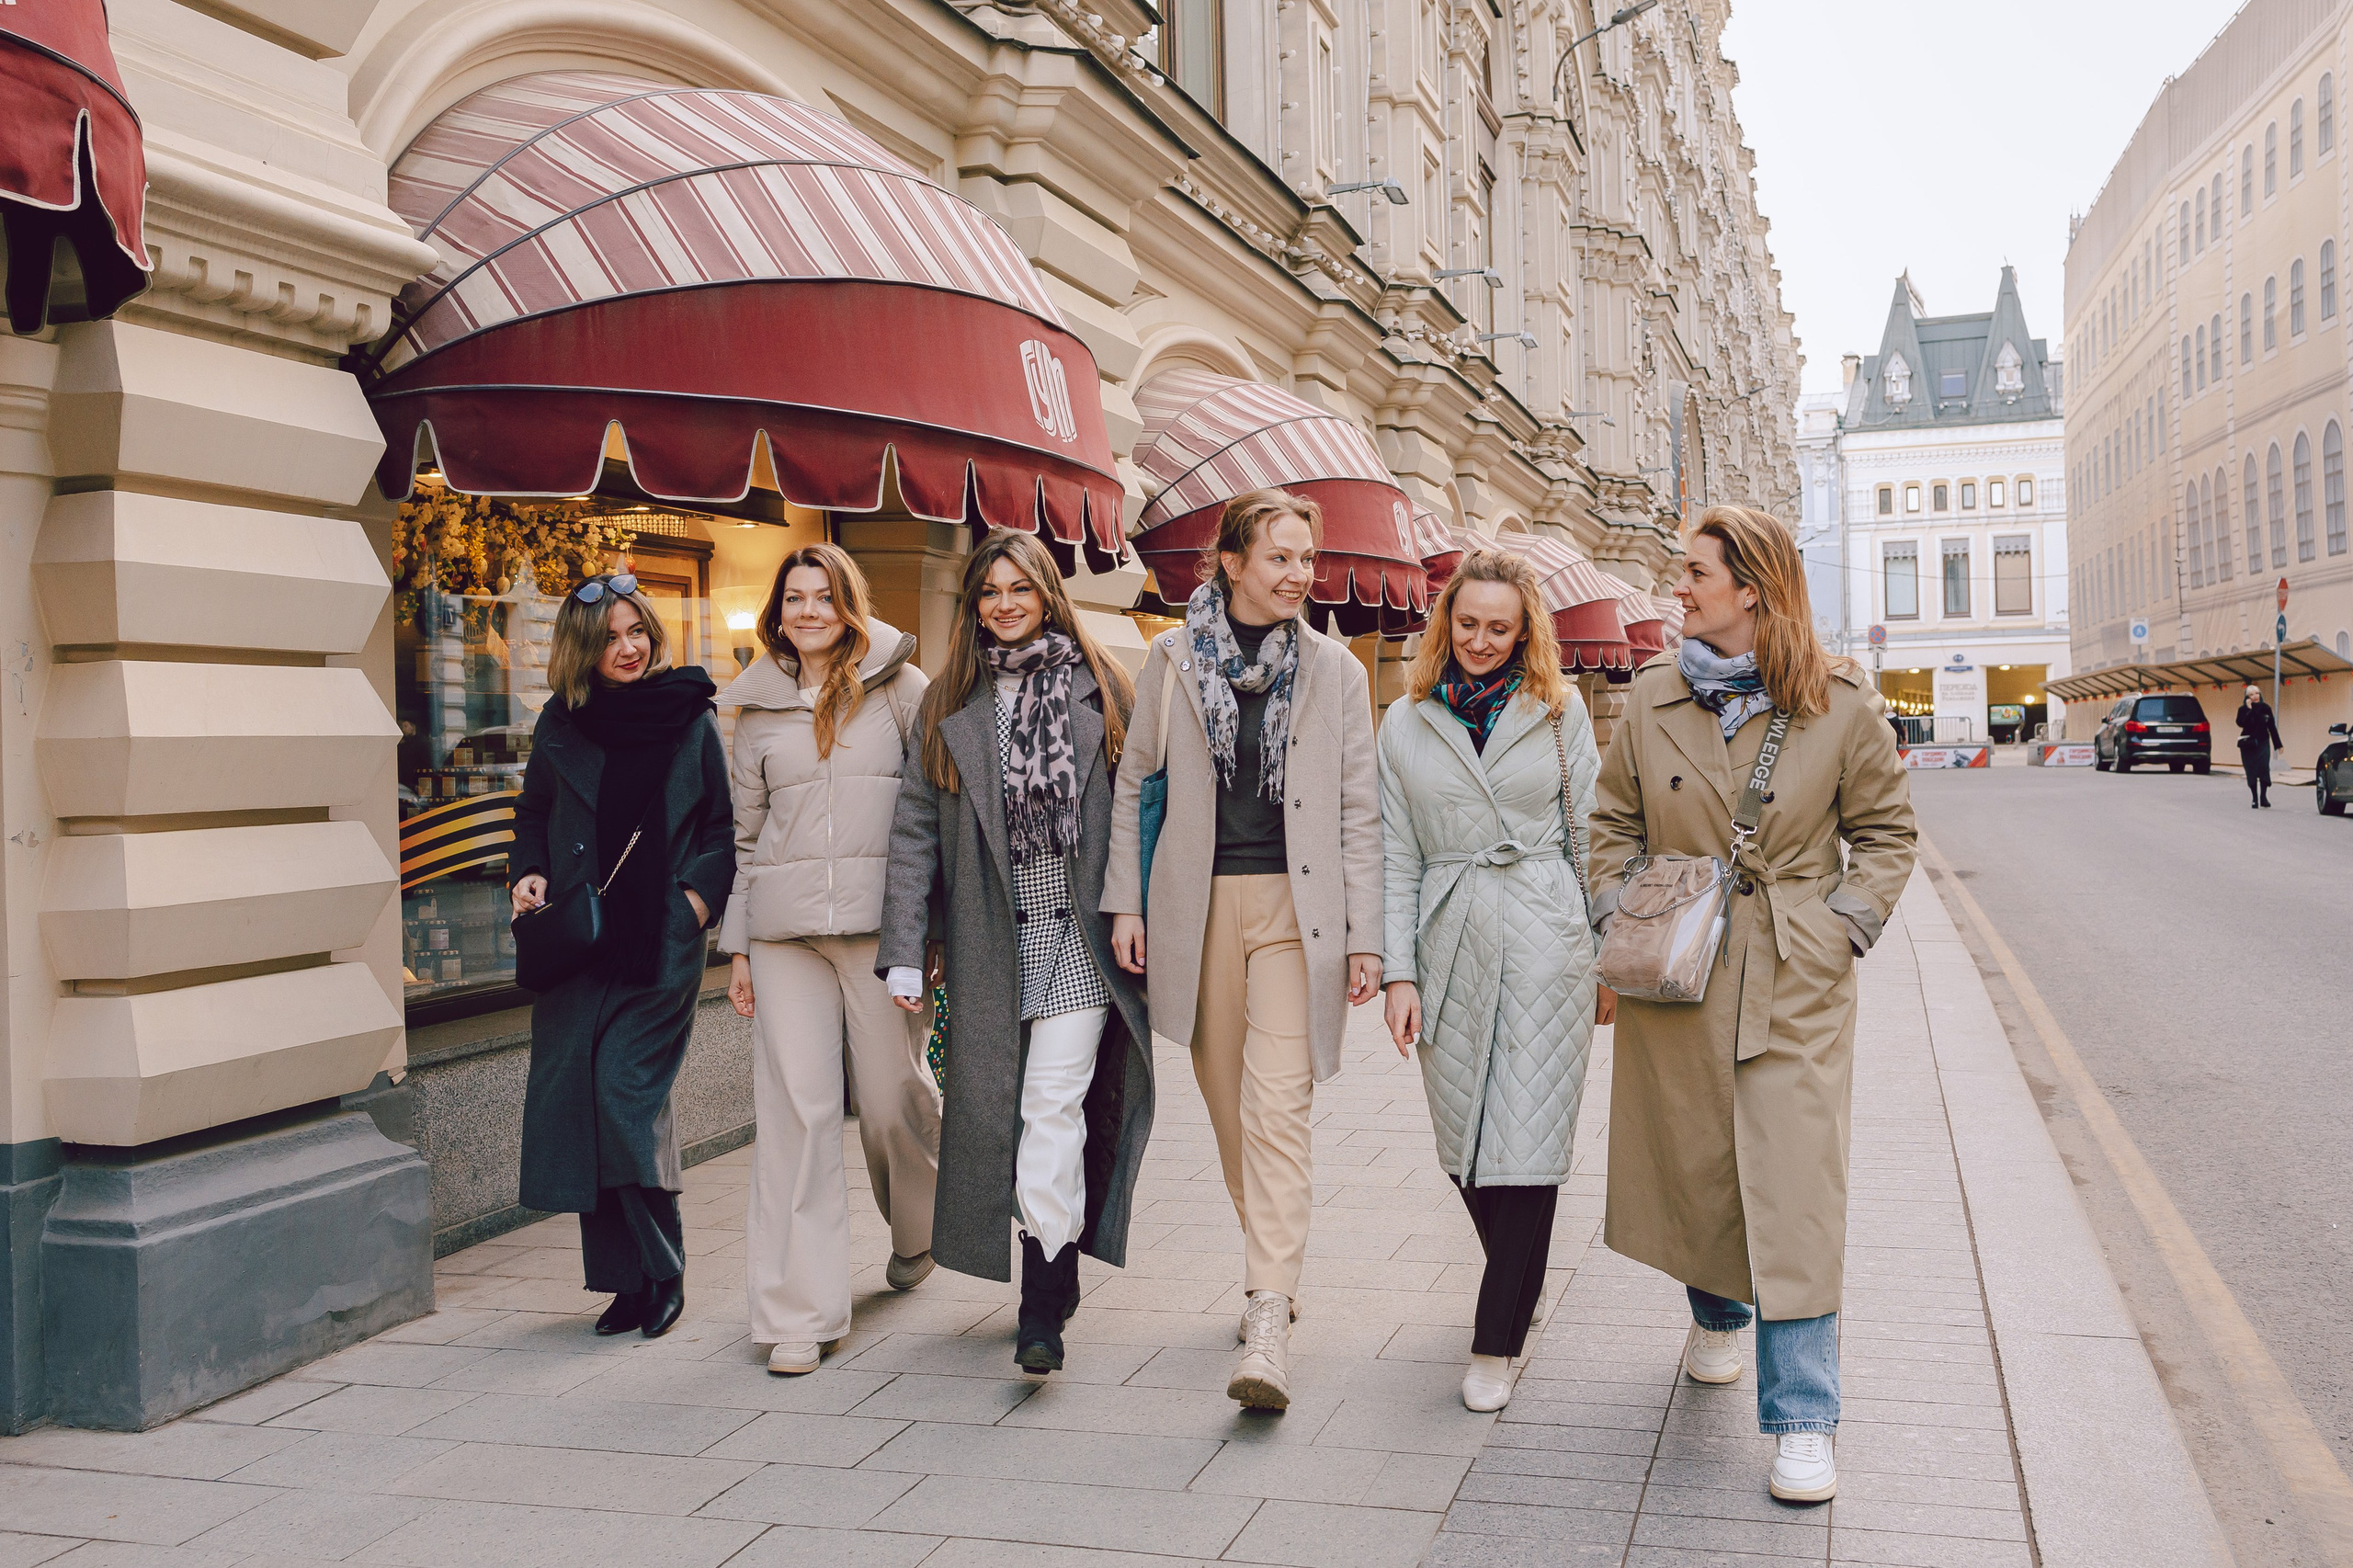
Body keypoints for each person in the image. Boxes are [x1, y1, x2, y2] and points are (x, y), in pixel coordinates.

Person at [1588, 506, 1916, 1504]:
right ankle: (1718, 1313)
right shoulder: (1649, 697)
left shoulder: (1841, 703)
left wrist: (1837, 928)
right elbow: (1610, 819)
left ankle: (1805, 1418)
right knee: (1694, 1164)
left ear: (1753, 589)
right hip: (1678, 972)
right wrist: (1624, 908)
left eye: (1692, 572)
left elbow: (1888, 835)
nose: (1676, 587)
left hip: (1792, 980)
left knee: (1794, 1187)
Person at [1105, 488, 1383, 1413]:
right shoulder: (1172, 658)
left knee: (1276, 1110)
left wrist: (1365, 937)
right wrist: (1124, 905)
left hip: (1298, 915)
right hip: (1196, 907)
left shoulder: (1337, 670)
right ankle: (1275, 1261)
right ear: (1230, 563)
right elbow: (1134, 779)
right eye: (1280, 557)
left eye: (1308, 558)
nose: (1300, 574)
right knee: (1229, 1110)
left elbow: (1357, 811)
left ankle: (1266, 1310)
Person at [877, 528, 1154, 1376]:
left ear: (1045, 594)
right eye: (989, 590)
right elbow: (914, 832)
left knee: (1049, 1108)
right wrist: (903, 949)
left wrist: (1134, 913)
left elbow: (1141, 812)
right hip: (989, 941)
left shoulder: (1101, 687)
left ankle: (1039, 1302)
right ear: (974, 604)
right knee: (994, 1109)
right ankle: (1057, 1261)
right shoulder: (948, 706)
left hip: (1076, 937)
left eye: (1019, 588)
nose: (1004, 604)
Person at [1377, 548, 1612, 1414]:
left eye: (1499, 627)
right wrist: (1398, 973)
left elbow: (1588, 830)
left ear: (1525, 632)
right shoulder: (1403, 722)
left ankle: (1494, 1338)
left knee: (1528, 1142)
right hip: (1449, 936)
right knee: (1468, 1150)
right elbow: (1395, 854)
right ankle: (1519, 1279)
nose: (1481, 640)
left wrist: (1608, 950)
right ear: (1447, 623)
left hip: (1549, 933)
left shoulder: (1559, 709)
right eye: (1467, 623)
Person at [719, 543, 941, 1376]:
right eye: (793, 599)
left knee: (892, 1101)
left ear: (849, 605)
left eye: (823, 597)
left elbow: (933, 815)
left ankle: (918, 1227)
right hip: (784, 939)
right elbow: (744, 838)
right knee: (796, 1117)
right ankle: (797, 1316)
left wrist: (932, 932)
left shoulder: (901, 689)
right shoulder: (758, 709)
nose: (807, 611)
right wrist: (739, 949)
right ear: (777, 612)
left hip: (883, 934)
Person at [510, 572, 733, 1340]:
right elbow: (533, 811)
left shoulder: (687, 715)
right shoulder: (560, 724)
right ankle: (623, 1283)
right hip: (582, 939)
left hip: (657, 943)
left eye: (637, 631)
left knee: (622, 1098)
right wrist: (528, 871)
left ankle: (664, 1270)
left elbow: (720, 830)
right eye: (610, 638)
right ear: (584, 650)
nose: (629, 648)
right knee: (584, 1109)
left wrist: (695, 905)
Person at [2236, 684, 2284, 808]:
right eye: (2251, 695)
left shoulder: (2266, 708)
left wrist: (2278, 744)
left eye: (2257, 693)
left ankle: (2263, 796)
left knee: (2263, 768)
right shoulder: (2243, 709)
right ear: (2247, 697)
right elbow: (2241, 723)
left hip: (2263, 742)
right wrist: (2249, 710)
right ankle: (2254, 798)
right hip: (2249, 744)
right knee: (2251, 770)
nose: (2255, 696)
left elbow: (2272, 727)